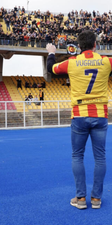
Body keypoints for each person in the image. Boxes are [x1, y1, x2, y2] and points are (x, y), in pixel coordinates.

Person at [46, 30, 110, 210]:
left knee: (77, 156)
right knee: (100, 158)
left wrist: (51, 52)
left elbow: (51, 69)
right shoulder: (106, 61)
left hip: (79, 115)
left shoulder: (72, 62)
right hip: (100, 115)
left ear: (79, 46)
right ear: (96, 45)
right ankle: (96, 199)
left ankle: (80, 199)